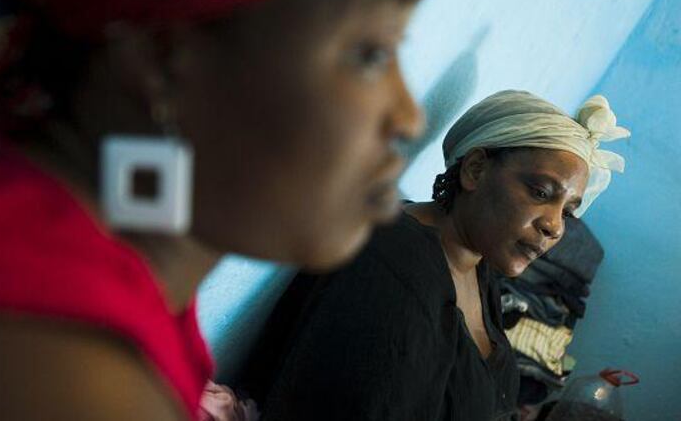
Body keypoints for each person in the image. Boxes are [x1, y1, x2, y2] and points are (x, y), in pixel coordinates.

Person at [0, 0, 443, 420]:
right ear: (162, 55)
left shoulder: (71, 256)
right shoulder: (52, 374)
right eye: (372, 52)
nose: (409, 116)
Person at [238, 90, 630, 421]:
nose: (555, 227)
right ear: (475, 169)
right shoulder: (393, 269)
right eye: (541, 193)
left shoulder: (478, 267)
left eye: (568, 211)